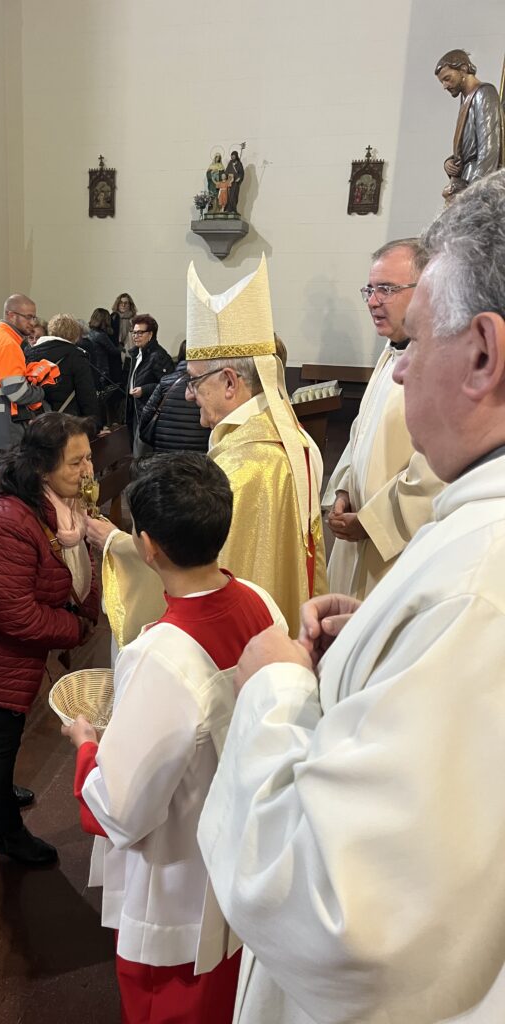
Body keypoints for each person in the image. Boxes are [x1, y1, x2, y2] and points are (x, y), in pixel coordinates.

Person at [198, 169, 505, 1024]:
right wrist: (386, 634)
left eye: (416, 344)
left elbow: (337, 911)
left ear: (483, 352)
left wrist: (272, 688)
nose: (399, 374)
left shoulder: (483, 578)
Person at [63, 453, 286, 1024]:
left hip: (183, 879)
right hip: (247, 848)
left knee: (173, 1003)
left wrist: (87, 745)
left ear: (149, 546)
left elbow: (124, 808)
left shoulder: (161, 653)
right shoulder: (258, 600)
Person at [92, 258, 327, 646]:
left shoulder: (246, 465)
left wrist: (114, 543)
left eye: (195, 381)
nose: (187, 393)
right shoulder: (283, 436)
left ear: (230, 382)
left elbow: (200, 577)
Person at [0, 413, 99, 866]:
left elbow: (74, 571)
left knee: (2, 740)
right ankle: (4, 833)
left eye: (88, 458)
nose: (88, 471)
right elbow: (14, 614)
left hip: (18, 652)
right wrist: (77, 628)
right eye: (76, 463)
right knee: (0, 738)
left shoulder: (60, 507)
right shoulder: (6, 518)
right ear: (41, 468)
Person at [324, 239, 444, 598]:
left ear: (426, 290)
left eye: (386, 289)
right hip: (357, 533)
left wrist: (372, 522)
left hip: (398, 548)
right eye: (370, 289)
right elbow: (360, 432)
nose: (373, 301)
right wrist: (344, 489)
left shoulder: (441, 363)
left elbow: (434, 469)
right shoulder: (391, 352)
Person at [0, 293, 45, 454]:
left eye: (34, 317)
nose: (33, 323)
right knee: (10, 478)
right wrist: (40, 391)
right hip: (5, 429)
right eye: (28, 317)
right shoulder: (8, 344)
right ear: (11, 315)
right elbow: (17, 392)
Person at [435, 49, 504, 201]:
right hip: (466, 179)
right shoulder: (466, 98)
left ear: (463, 69)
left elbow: (489, 149)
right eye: (442, 82)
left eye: (447, 78)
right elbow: (470, 144)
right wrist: (450, 162)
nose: (445, 86)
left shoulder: (484, 93)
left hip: (477, 181)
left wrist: (474, 194)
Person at [24, 313, 101, 424]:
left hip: (38, 420)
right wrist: (95, 425)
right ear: (75, 334)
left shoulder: (29, 353)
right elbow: (87, 396)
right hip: (66, 421)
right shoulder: (77, 356)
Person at [138, 339, 211, 453]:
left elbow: (146, 414)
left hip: (164, 451)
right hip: (200, 454)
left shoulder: (166, 381)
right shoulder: (211, 382)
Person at [126, 313, 174, 456]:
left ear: (150, 334)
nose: (136, 336)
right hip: (137, 410)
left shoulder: (158, 355)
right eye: (134, 332)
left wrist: (145, 390)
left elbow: (168, 385)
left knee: (144, 456)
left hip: (150, 413)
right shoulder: (137, 354)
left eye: (140, 332)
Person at [78, 307, 124, 425]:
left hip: (92, 370)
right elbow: (114, 351)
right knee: (105, 405)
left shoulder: (87, 333)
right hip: (103, 372)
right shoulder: (100, 335)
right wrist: (121, 346)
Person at [110, 292, 137, 361]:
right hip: (115, 351)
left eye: (126, 303)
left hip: (130, 352)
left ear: (130, 305)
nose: (123, 305)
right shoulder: (113, 318)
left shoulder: (135, 320)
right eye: (121, 302)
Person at [226, 149, 245, 214]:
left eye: (234, 156)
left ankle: (234, 208)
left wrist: (239, 178)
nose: (232, 157)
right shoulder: (230, 163)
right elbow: (227, 172)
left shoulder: (239, 164)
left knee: (234, 196)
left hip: (235, 183)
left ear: (236, 156)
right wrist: (227, 177)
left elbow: (241, 173)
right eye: (232, 156)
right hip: (230, 182)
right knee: (229, 196)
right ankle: (229, 209)